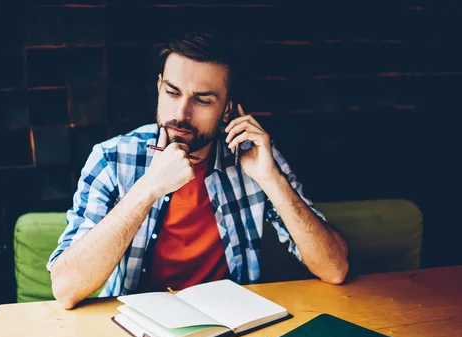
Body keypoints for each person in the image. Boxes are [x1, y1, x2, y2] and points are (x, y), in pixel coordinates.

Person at [48, 32, 348, 310]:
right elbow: (65, 288)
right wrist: (148, 188)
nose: (181, 113)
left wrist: (273, 180)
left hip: (232, 321)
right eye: (172, 92)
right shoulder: (111, 159)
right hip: (140, 326)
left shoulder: (256, 157)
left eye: (202, 100)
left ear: (227, 110)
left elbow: (334, 269)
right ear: (158, 88)